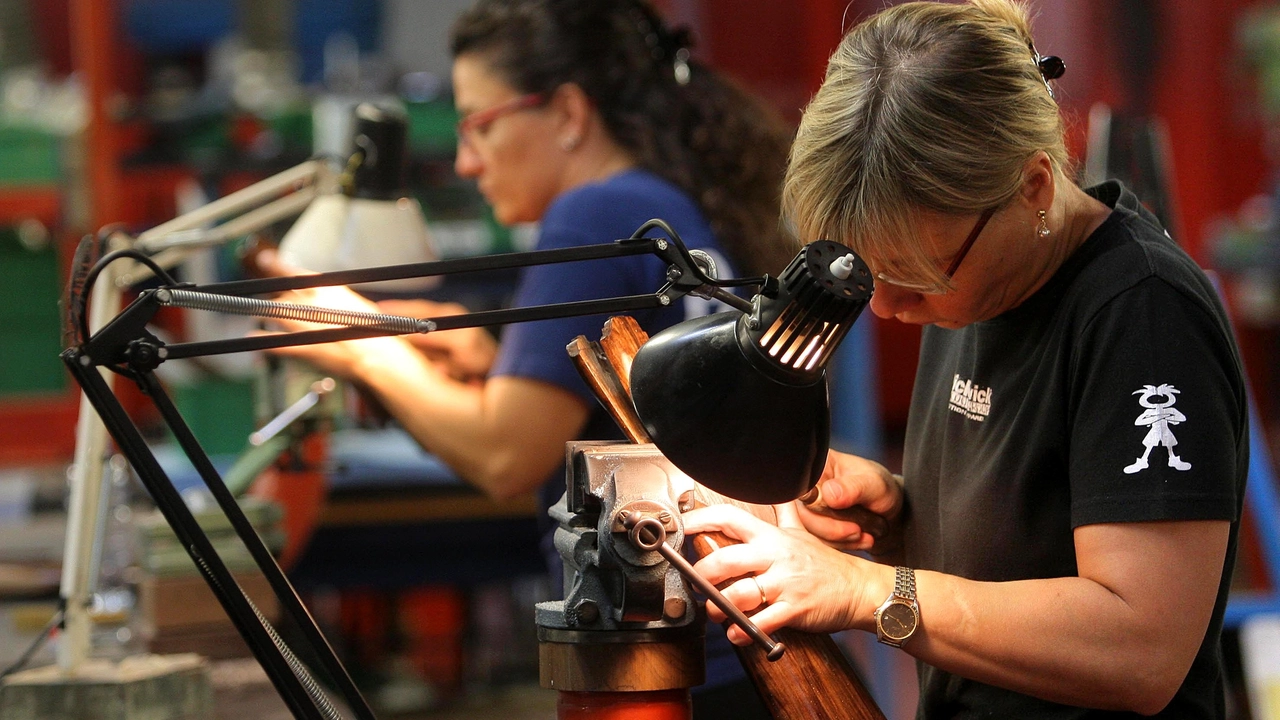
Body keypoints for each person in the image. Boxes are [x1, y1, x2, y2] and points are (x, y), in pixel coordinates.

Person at [684, 1, 1249, 718]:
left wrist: (866, 592)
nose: (887, 308)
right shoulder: (976, 273)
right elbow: (1033, 555)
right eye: (869, 269)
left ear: (1034, 188)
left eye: (916, 274)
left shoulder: (1143, 314)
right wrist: (902, 519)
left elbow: (1141, 648)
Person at [259, 0, 795, 715]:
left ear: (568, 114)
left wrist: (355, 340)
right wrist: (485, 359)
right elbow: (644, 399)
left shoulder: (593, 213)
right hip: (736, 643)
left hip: (677, 666)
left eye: (480, 123)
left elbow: (505, 453)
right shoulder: (658, 200)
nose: (464, 160)